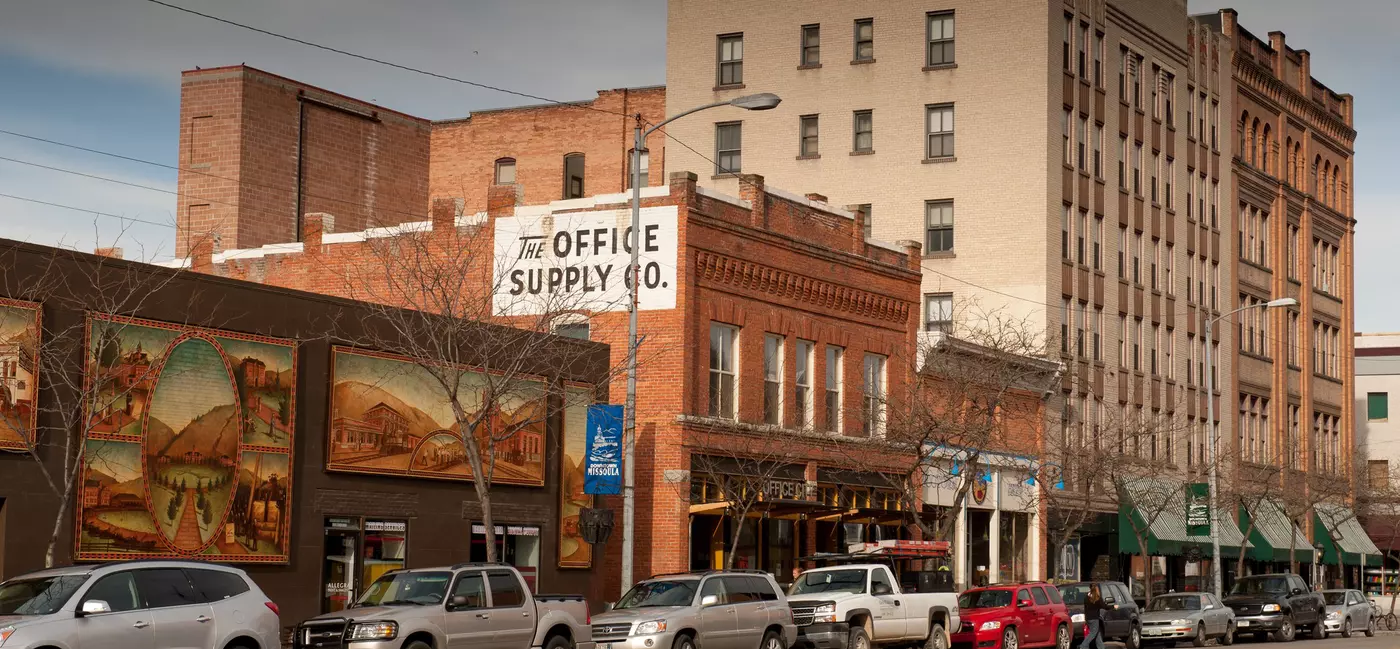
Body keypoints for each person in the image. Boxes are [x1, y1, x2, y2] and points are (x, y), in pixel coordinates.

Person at [1080, 584, 1109, 649]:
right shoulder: (1097, 598)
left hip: (1088, 619)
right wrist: (1113, 607)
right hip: (1094, 619)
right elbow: (1105, 606)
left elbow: (1085, 608)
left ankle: (1101, 647)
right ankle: (1083, 646)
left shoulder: (1086, 597)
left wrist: (1085, 619)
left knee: (1097, 633)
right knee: (1093, 633)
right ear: (1096, 589)